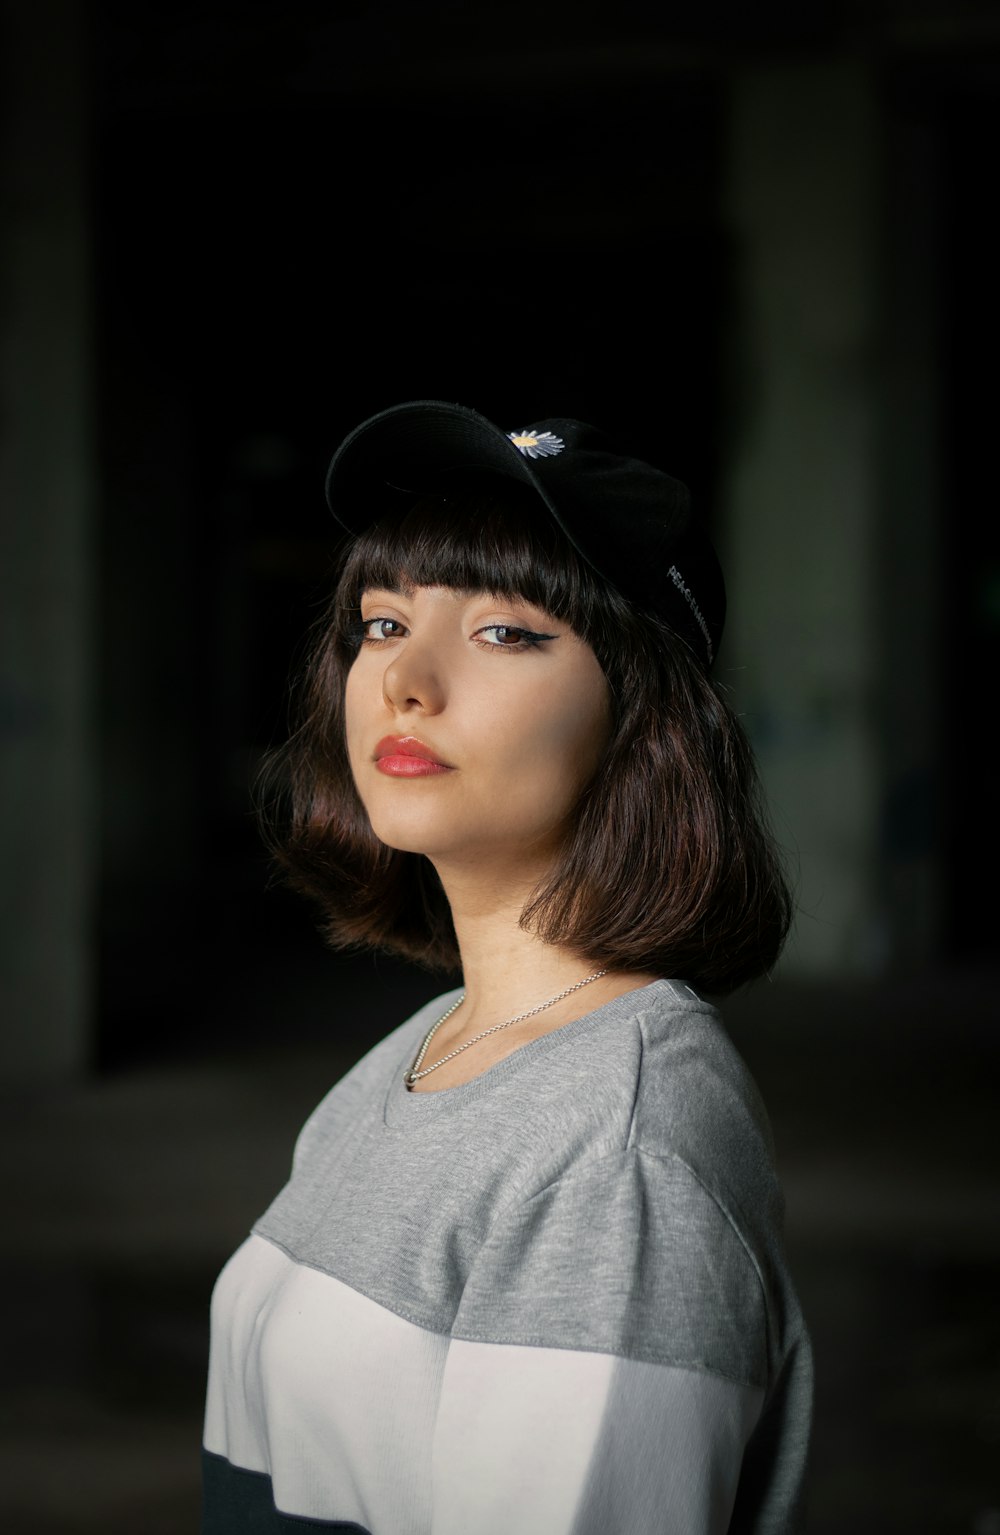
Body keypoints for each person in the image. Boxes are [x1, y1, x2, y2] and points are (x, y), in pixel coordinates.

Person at [201, 401, 813, 1533]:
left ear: (642, 720)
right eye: (382, 623)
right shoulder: (419, 1049)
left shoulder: (614, 1148)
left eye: (506, 632)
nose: (406, 682)